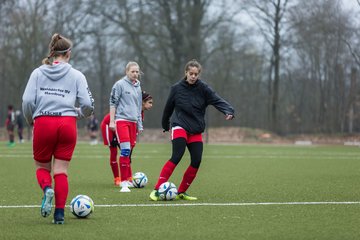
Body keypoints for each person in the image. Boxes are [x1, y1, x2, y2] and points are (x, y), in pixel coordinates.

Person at [22, 33, 94, 224]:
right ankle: (59, 215)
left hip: (44, 122)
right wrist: (79, 114)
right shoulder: (77, 75)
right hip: (67, 124)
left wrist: (31, 119)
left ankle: (47, 189)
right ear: (68, 53)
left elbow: (27, 101)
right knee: (61, 170)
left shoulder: (37, 73)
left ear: (53, 53)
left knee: (41, 167)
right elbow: (87, 104)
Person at [149, 59, 235, 201]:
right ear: (186, 73)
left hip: (195, 129)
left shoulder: (204, 89)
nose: (193, 76)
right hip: (179, 125)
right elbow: (168, 109)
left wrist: (228, 110)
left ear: (198, 74)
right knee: (177, 155)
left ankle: (181, 191)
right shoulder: (176, 88)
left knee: (197, 160)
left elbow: (217, 99)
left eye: (196, 74)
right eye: (191, 73)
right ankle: (157, 189)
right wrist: (165, 125)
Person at [101, 91, 153, 187]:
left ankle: (129, 178)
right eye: (149, 102)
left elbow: (135, 129)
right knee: (114, 152)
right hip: (109, 126)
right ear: (142, 102)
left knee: (127, 154)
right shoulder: (130, 109)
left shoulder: (141, 113)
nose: (151, 105)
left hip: (120, 128)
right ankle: (117, 178)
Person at [109, 62, 143, 192]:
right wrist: (112, 121)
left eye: (137, 72)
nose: (135, 74)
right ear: (126, 71)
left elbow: (139, 106)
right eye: (133, 71)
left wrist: (139, 123)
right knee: (125, 150)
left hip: (133, 123)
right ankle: (123, 182)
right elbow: (112, 103)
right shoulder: (119, 85)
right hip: (122, 121)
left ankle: (128, 179)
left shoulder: (138, 86)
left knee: (129, 153)